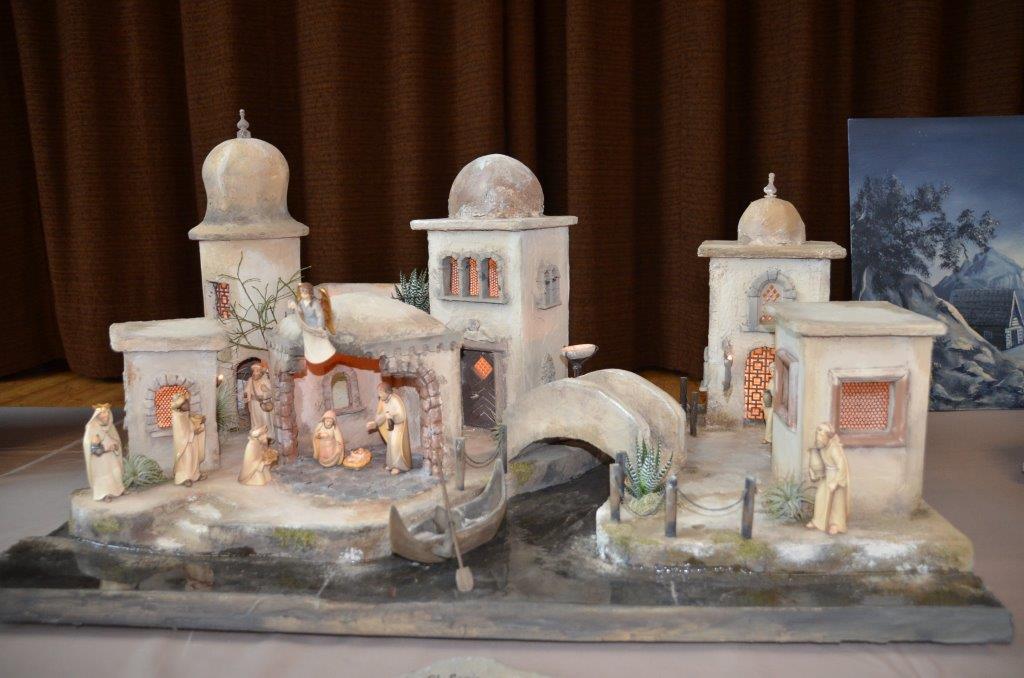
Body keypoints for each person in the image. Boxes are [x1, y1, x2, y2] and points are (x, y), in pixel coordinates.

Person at [806, 422, 850, 535]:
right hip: (827, 475)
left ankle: (836, 525)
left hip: (836, 476)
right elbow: (819, 462)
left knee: (836, 502)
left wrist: (835, 482)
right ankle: (818, 521)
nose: (819, 441)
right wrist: (814, 471)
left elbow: (842, 466)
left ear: (826, 437)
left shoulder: (834, 449)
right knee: (820, 497)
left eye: (821, 438)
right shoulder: (822, 447)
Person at [82, 403, 125, 502]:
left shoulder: (110, 426)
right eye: (103, 413)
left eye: (107, 413)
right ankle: (105, 494)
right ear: (97, 415)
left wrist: (115, 446)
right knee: (104, 477)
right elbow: (94, 449)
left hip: (111, 457)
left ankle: (119, 490)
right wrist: (106, 449)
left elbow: (115, 439)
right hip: (100, 460)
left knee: (116, 472)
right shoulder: (92, 427)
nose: (106, 415)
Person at [366, 382, 412, 475]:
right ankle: (391, 465)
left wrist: (391, 416)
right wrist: (375, 423)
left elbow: (401, 416)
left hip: (398, 427)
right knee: (391, 446)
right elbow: (381, 415)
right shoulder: (383, 401)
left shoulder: (395, 400)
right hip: (391, 427)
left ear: (387, 392)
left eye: (381, 393)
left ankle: (398, 466)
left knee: (396, 446)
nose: (379, 395)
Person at [289, 282, 336, 365]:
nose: (302, 294)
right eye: (301, 292)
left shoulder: (315, 303)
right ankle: (312, 357)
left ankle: (323, 356)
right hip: (306, 326)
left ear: (310, 293)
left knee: (320, 342)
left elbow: (320, 315)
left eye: (305, 292)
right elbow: (300, 311)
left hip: (315, 326)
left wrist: (320, 327)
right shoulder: (301, 302)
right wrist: (295, 306)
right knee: (309, 342)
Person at [171, 391, 206, 486]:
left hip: (191, 441)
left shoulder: (186, 414)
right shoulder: (177, 417)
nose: (188, 405)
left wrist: (200, 423)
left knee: (194, 458)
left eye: (187, 402)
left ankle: (195, 475)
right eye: (185, 403)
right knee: (187, 459)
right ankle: (184, 478)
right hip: (184, 444)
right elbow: (180, 433)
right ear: (179, 406)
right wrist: (193, 433)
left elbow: (191, 425)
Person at [242, 362, 274, 432]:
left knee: (265, 419)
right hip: (254, 403)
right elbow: (247, 390)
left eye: (256, 371)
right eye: (253, 371)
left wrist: (266, 392)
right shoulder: (251, 380)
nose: (254, 373)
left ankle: (267, 434)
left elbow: (271, 393)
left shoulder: (265, 380)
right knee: (255, 419)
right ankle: (256, 433)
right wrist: (245, 396)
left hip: (264, 403)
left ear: (261, 372)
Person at [762, 365, 775, 445]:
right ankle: (769, 438)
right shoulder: (771, 380)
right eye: (770, 371)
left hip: (774, 403)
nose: (771, 373)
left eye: (773, 371)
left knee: (770, 421)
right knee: (768, 420)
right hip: (768, 402)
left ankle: (769, 438)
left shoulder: (777, 381)